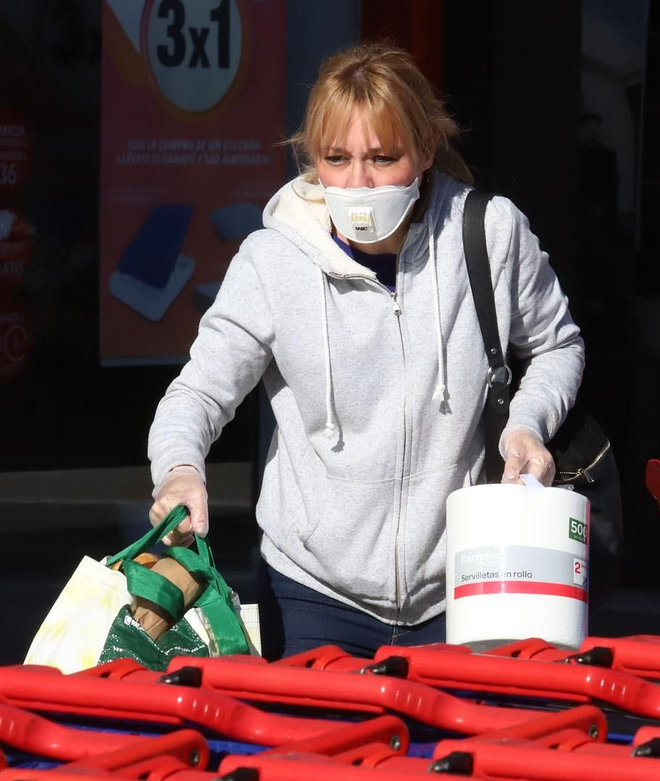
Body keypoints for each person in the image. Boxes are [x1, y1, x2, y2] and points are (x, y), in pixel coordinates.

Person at [148, 43, 584, 657]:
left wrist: (526, 425)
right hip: (312, 593)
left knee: (459, 755)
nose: (358, 183)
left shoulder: (490, 234)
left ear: (426, 149)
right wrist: (179, 470)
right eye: (336, 159)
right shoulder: (273, 261)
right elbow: (197, 393)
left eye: (382, 158)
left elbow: (557, 344)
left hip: (463, 585)